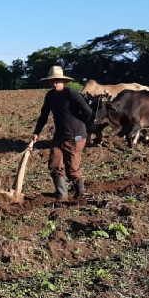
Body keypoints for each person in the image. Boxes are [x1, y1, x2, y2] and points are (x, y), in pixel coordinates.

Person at [30, 65, 93, 200]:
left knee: (72, 169)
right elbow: (44, 115)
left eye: (57, 80)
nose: (54, 83)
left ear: (63, 81)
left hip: (76, 136)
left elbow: (88, 112)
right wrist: (37, 132)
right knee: (54, 164)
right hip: (60, 135)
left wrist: (82, 125)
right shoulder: (50, 96)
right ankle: (62, 194)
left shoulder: (71, 93)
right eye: (52, 81)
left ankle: (80, 194)